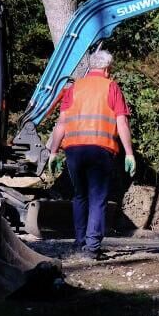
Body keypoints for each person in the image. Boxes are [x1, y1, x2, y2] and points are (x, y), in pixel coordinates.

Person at [45, 49, 136, 256]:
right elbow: (121, 122)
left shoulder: (74, 88)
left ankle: (79, 242)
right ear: (106, 68)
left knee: (80, 196)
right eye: (110, 68)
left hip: (74, 151)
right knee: (97, 198)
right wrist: (129, 153)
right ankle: (92, 246)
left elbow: (61, 123)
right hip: (100, 150)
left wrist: (53, 152)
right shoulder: (111, 87)